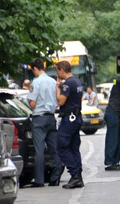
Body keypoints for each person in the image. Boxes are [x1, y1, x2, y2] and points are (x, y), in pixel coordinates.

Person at [28, 59, 63, 187]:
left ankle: (39, 180)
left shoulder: (35, 83)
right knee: (54, 148)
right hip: (50, 117)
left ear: (35, 69)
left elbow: (32, 104)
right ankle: (55, 177)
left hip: (39, 119)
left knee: (39, 150)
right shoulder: (53, 81)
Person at [55, 60, 85, 189]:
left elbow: (61, 101)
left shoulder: (67, 84)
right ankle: (78, 175)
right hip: (77, 117)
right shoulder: (77, 81)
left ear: (62, 70)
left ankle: (74, 175)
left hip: (69, 118)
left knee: (61, 146)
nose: (58, 74)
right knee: (74, 147)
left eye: (57, 71)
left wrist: (57, 88)